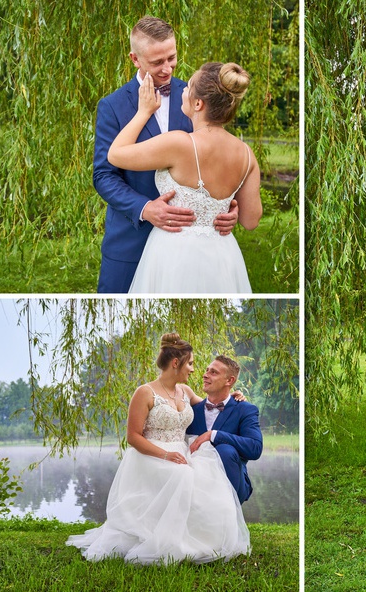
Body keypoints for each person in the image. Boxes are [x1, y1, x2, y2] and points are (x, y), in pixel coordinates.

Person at [66, 333, 250, 564]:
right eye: (190, 364)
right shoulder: (144, 392)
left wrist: (234, 396)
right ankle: (164, 540)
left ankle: (205, 538)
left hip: (181, 452)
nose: (193, 370)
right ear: (176, 363)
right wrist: (165, 455)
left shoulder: (185, 391)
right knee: (183, 476)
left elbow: (212, 404)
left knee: (208, 475)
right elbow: (133, 437)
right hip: (152, 455)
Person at [93, 16, 241, 293]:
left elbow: (220, 154)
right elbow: (104, 175)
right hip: (130, 242)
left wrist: (229, 205)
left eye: (171, 58)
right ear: (135, 59)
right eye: (157, 62)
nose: (167, 68)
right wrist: (145, 208)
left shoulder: (196, 96)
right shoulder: (112, 106)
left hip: (188, 250)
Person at [108, 61, 262, 294]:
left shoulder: (179, 143)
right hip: (222, 255)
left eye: (188, 87)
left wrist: (143, 112)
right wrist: (227, 207)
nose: (183, 90)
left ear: (198, 103)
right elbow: (251, 221)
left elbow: (115, 154)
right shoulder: (247, 154)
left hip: (174, 252)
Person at [187, 355, 262, 503]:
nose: (205, 375)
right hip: (194, 484)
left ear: (229, 381)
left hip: (233, 485)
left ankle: (228, 509)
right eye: (207, 370)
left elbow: (255, 448)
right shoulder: (190, 411)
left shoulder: (245, 410)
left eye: (213, 372)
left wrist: (214, 435)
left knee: (225, 450)